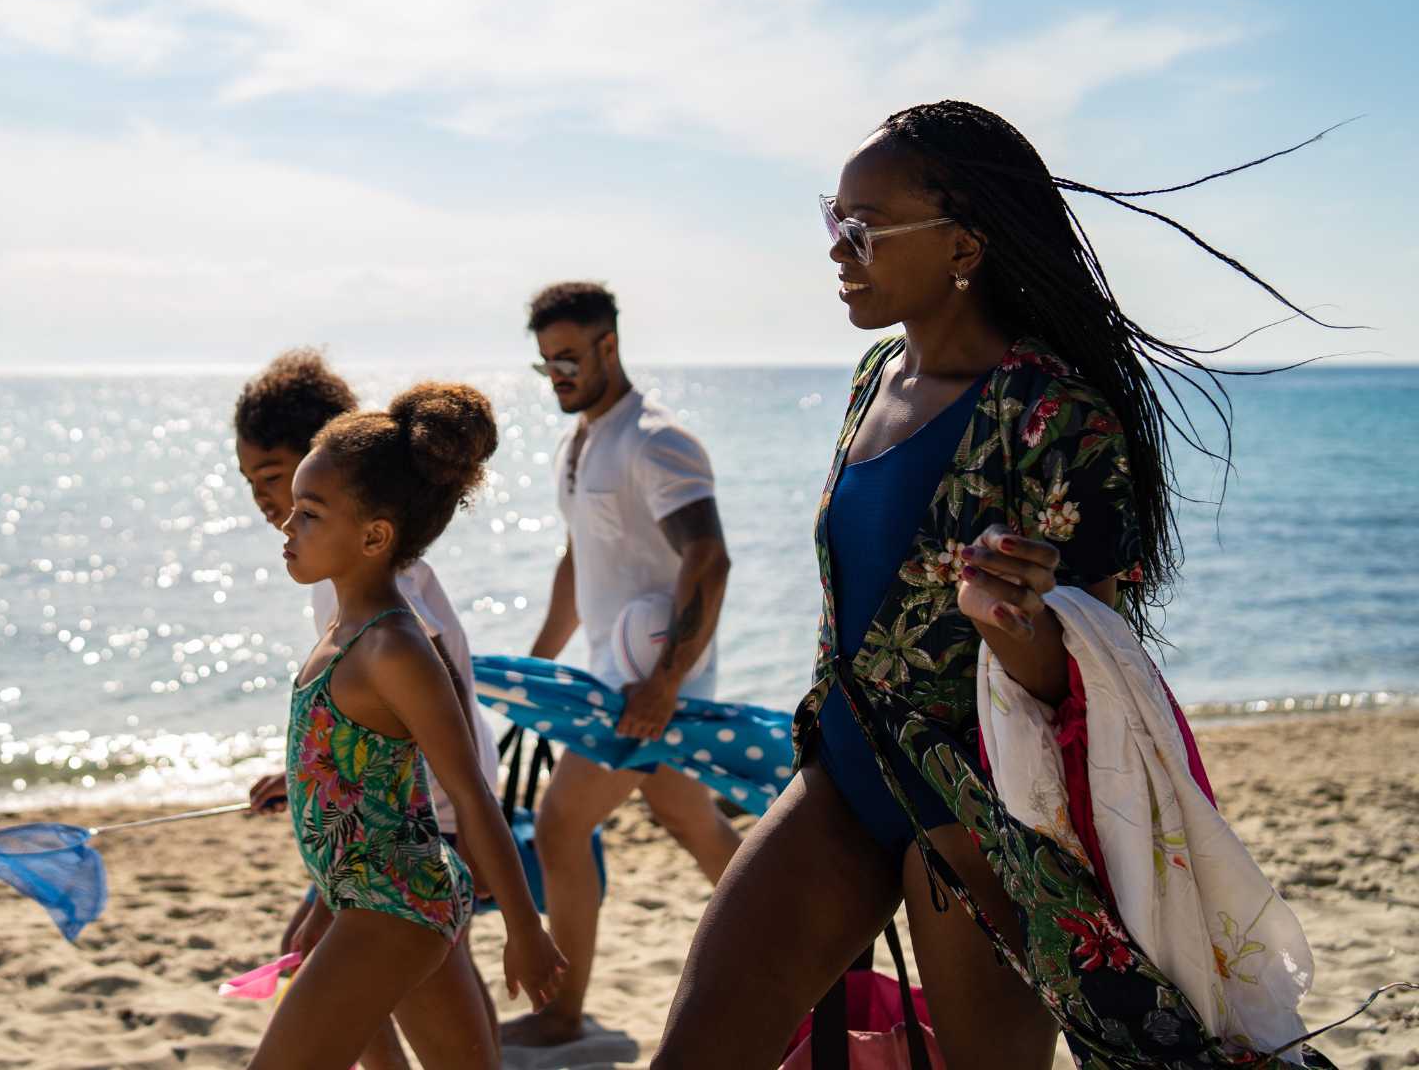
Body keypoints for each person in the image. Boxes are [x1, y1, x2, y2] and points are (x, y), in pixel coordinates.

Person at [653, 101, 1340, 1068]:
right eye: (830, 221)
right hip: (843, 775)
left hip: (981, 819)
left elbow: (1092, 683)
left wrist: (1018, 623)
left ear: (963, 244)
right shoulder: (873, 377)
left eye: (863, 228)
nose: (839, 251)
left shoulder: (1059, 417)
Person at [249, 382, 567, 1070]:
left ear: (373, 536)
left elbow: (470, 793)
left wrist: (524, 927)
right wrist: (323, 905)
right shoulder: (343, 627)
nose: (287, 526)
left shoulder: (395, 645)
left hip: (397, 904)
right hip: (379, 894)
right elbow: (363, 795)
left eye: (308, 513)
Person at [501, 281, 742, 1048]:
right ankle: (813, 955)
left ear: (610, 344)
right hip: (619, 677)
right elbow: (582, 563)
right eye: (547, 365)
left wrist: (665, 683)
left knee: (560, 825)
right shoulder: (582, 443)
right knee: (690, 820)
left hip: (649, 686)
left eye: (570, 358)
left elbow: (708, 558)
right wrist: (536, 668)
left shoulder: (655, 440)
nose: (559, 376)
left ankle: (562, 1014)